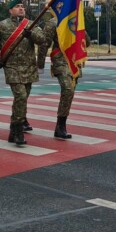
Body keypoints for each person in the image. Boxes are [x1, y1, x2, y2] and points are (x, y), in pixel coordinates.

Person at [0, 0, 47, 145]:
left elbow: (42, 40)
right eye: (17, 7)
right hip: (12, 67)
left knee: (23, 99)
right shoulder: (2, 26)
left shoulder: (31, 24)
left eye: (22, 6)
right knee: (20, 96)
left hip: (29, 68)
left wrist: (30, 34)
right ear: (10, 10)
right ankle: (19, 130)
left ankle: (13, 130)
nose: (21, 9)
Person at [37, 10, 84, 141]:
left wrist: (80, 31)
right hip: (60, 59)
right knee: (67, 89)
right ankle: (61, 125)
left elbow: (87, 42)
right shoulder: (53, 23)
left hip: (74, 60)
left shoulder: (77, 20)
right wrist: (40, 65)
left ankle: (61, 125)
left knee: (71, 92)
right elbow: (44, 44)